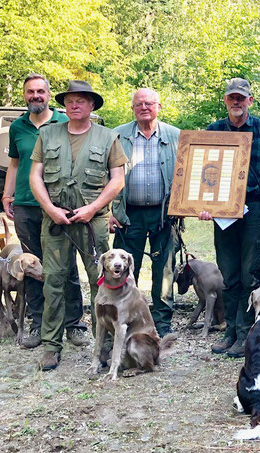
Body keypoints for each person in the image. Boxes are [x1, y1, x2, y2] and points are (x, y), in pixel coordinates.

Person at [30, 80, 127, 371]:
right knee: (54, 283)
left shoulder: (108, 137)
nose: (75, 105)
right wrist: (50, 209)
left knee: (104, 283)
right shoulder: (47, 135)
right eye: (70, 100)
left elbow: (117, 179)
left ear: (92, 105)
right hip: (56, 222)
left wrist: (93, 208)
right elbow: (34, 176)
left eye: (81, 101)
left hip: (93, 224)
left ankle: (106, 346)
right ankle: (51, 346)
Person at [1, 73, 87, 349]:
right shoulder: (17, 127)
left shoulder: (64, 122)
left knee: (67, 265)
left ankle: (74, 324)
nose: (35, 96)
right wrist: (7, 194)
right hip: (26, 205)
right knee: (32, 266)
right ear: (24, 96)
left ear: (49, 95)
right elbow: (14, 164)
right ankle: (39, 324)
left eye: (40, 91)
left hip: (60, 206)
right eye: (30, 92)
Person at [199, 78, 260, 357]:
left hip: (253, 208)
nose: (236, 102)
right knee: (228, 274)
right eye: (232, 97)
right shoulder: (214, 130)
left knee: (250, 273)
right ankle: (230, 329)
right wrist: (202, 206)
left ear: (250, 101)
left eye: (241, 98)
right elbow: (203, 175)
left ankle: (246, 333)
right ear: (225, 100)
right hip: (221, 211)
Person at [110, 88, 181, 338]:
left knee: (165, 269)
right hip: (128, 214)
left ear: (159, 106)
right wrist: (110, 210)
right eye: (139, 104)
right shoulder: (116, 135)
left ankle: (162, 322)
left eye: (149, 103)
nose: (144, 108)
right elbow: (103, 176)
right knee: (126, 268)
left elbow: (187, 173)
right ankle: (125, 317)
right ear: (132, 108)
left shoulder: (176, 136)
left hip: (164, 214)